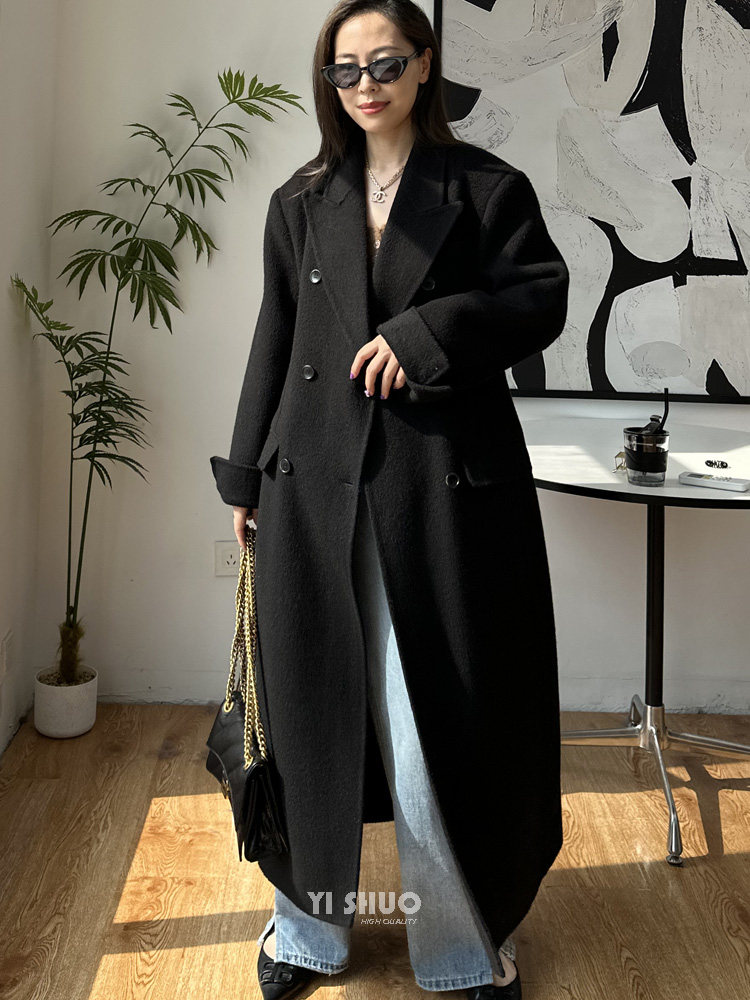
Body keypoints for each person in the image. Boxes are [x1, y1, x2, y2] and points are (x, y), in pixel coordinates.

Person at [209, 2, 570, 998]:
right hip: (310, 486)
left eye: (384, 63)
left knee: (429, 725)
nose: (364, 84)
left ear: (422, 65)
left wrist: (425, 335)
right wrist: (244, 475)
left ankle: (460, 949)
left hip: (444, 494)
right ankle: (307, 936)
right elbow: (276, 339)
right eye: (345, 69)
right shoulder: (300, 199)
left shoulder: (486, 188)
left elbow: (540, 299)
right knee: (310, 716)